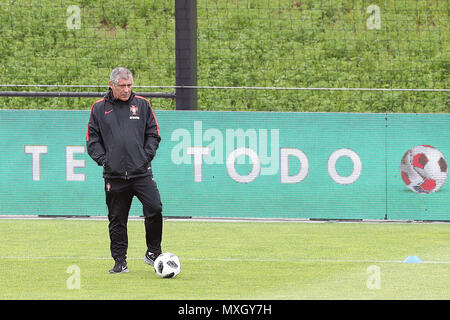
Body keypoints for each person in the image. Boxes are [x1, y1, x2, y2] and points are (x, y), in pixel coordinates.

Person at [86, 67, 163, 273]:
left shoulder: (143, 105)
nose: (126, 89)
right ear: (111, 85)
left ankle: (153, 252)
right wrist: (105, 160)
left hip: (141, 173)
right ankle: (120, 261)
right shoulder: (99, 108)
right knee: (117, 219)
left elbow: (153, 134)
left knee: (155, 208)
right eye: (122, 86)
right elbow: (92, 140)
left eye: (129, 85)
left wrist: (145, 157)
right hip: (115, 176)